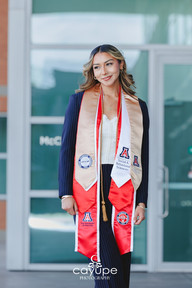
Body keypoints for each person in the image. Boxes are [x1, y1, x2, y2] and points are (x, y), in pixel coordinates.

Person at [58, 44, 149, 288]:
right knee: (104, 258)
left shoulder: (137, 106)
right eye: (97, 67)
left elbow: (143, 156)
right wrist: (65, 193)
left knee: (121, 255)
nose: (103, 71)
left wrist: (142, 201)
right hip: (89, 183)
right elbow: (67, 150)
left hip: (123, 182)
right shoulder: (79, 102)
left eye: (108, 64)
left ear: (120, 65)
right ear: (92, 72)